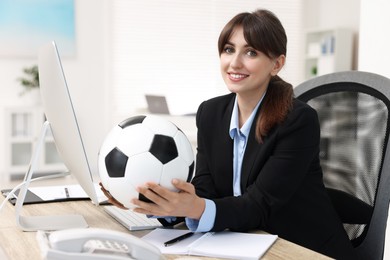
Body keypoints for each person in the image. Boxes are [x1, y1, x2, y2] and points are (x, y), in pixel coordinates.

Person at [101, 9, 356, 259]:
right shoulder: (210, 113)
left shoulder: (298, 121)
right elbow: (204, 189)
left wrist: (197, 207)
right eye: (228, 49)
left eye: (251, 52)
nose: (234, 63)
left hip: (301, 249)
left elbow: (260, 204)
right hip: (242, 242)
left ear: (277, 64)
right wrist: (157, 204)